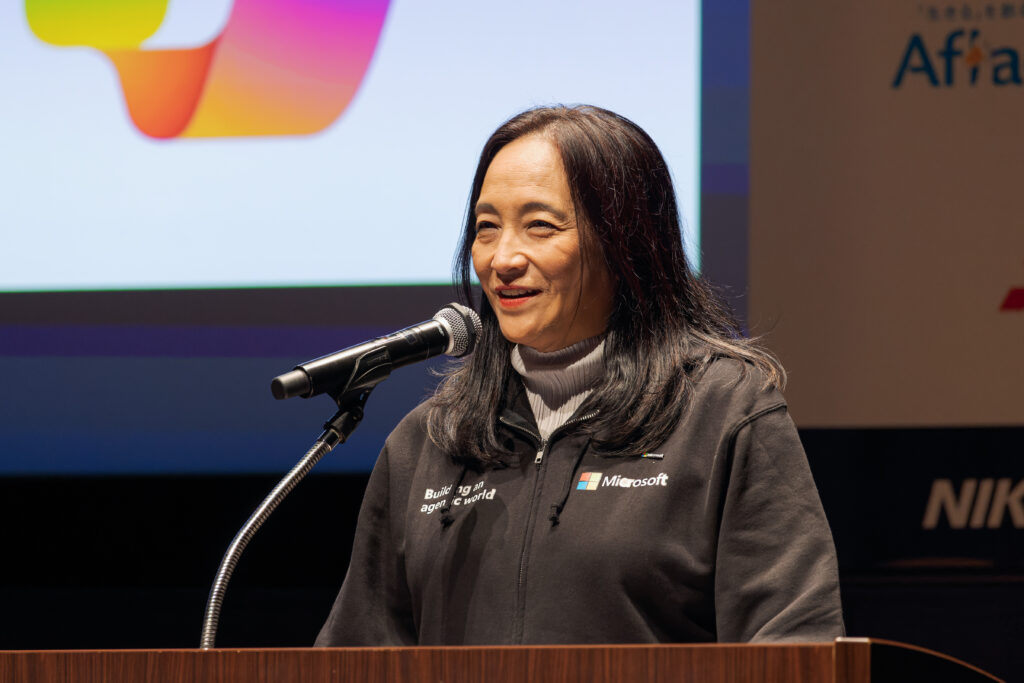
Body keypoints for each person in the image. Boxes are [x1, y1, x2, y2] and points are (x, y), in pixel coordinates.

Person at [315, 105, 844, 646]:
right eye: (486, 228)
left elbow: (794, 646)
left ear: (626, 241)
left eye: (540, 227)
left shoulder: (723, 413)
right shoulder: (429, 440)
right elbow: (356, 658)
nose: (502, 258)